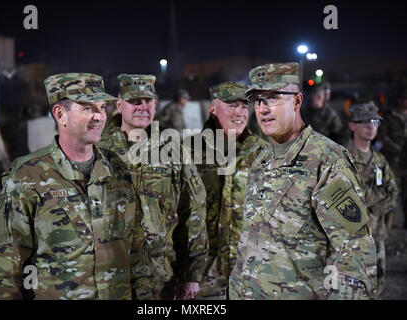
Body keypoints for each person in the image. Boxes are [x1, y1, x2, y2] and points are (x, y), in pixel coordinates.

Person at [0, 73, 153, 300]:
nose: (100, 116)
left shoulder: (117, 170)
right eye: (88, 108)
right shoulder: (26, 176)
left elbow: (137, 250)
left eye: (102, 107)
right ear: (60, 114)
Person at [229, 62, 378, 300]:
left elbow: (357, 252)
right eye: (257, 100)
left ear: (297, 101)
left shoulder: (326, 160)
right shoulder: (261, 160)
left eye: (273, 98)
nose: (263, 109)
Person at [97, 74, 207, 300]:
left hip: (159, 275)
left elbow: (193, 209)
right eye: (135, 101)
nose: (142, 107)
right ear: (119, 105)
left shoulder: (172, 148)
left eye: (148, 101)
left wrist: (191, 273)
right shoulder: (97, 149)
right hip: (108, 277)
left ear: (156, 105)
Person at [176, 81, 268, 299]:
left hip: (250, 271)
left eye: (244, 106)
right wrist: (188, 271)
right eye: (232, 105)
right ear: (212, 108)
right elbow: (176, 213)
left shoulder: (263, 152)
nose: (240, 112)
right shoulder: (187, 150)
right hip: (202, 274)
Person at [345, 102, 398, 297]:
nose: (371, 126)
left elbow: (393, 194)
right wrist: (379, 195)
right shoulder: (342, 158)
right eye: (365, 121)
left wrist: (370, 199)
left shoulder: (380, 161)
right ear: (352, 125)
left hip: (376, 235)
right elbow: (346, 198)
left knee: (377, 286)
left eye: (375, 121)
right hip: (348, 239)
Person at [379, 84, 407, 229]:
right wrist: (399, 149)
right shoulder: (390, 118)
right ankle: (386, 224)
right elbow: (383, 137)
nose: (404, 102)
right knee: (391, 191)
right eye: (402, 99)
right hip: (393, 160)